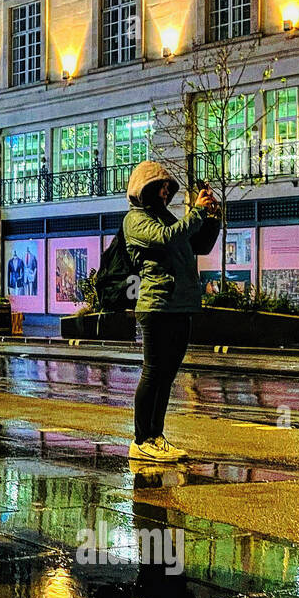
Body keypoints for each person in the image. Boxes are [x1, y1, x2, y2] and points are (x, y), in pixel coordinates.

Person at [123, 164, 220, 463]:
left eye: (168, 188)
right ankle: (141, 439)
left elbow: (199, 244)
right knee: (153, 371)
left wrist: (212, 217)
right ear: (146, 188)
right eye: (161, 187)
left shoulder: (166, 217)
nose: (166, 192)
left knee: (167, 376)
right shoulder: (135, 219)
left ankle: (156, 436)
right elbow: (167, 238)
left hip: (180, 304)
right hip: (157, 305)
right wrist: (196, 213)